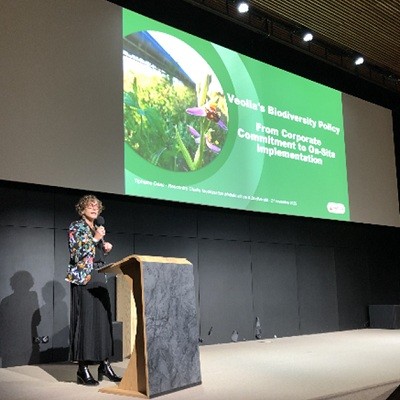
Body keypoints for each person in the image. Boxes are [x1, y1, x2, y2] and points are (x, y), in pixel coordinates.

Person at [65, 194, 122, 386]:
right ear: (82, 209)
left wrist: (104, 247)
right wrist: (95, 238)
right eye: (90, 206)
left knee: (103, 320)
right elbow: (77, 253)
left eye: (97, 206)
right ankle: (82, 369)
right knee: (86, 321)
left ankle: (104, 364)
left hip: (99, 274)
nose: (94, 208)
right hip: (84, 278)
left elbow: (94, 253)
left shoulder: (97, 227)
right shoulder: (76, 226)